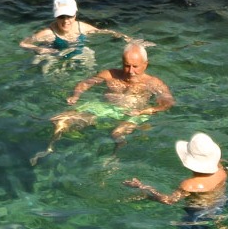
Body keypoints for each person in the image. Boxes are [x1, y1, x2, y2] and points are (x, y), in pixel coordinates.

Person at [39, 43, 174, 159]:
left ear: (145, 65)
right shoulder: (110, 75)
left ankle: (112, 161)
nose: (130, 71)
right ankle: (48, 149)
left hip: (134, 113)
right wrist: (76, 95)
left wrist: (147, 111)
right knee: (61, 118)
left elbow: (167, 102)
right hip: (105, 106)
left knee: (117, 134)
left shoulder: (153, 83)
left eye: (135, 66)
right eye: (127, 66)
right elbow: (86, 83)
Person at [125, 132, 228, 206]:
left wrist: (143, 187)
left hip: (200, 210)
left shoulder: (189, 185)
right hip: (222, 202)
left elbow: (169, 201)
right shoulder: (221, 172)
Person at [20, 0, 133, 61]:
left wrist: (129, 40)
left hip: (79, 54)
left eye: (69, 16)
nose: (66, 21)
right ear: (55, 16)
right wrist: (38, 49)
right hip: (54, 57)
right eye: (61, 16)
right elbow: (23, 44)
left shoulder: (82, 28)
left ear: (75, 14)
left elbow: (105, 32)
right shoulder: (48, 33)